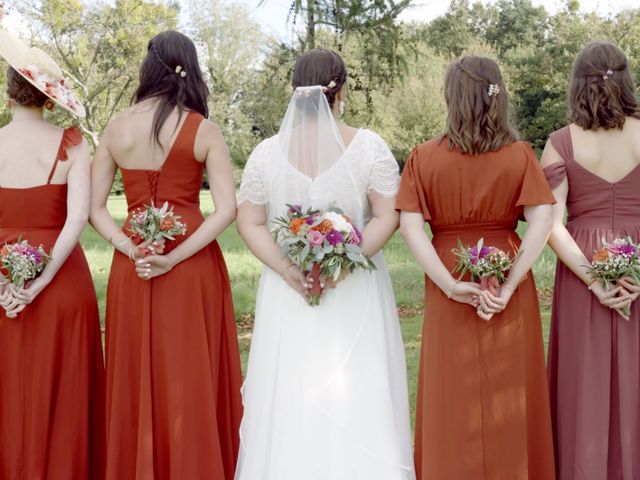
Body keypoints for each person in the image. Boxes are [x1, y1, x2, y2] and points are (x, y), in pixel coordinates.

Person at [235, 48, 415, 480]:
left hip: (289, 290)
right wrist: (347, 262)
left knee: (292, 391)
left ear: (295, 91)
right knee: (356, 386)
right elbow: (388, 213)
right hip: (353, 285)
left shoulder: (266, 153)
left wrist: (286, 268)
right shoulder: (368, 146)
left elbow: (249, 220)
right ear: (342, 90)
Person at [90, 30, 242, 479]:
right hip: (192, 264)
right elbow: (227, 209)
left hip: (132, 264)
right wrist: (174, 258)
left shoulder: (115, 129)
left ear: (148, 67)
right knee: (190, 370)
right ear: (188, 68)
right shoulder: (203, 129)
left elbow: (95, 209)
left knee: (136, 371)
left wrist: (129, 245)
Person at [397, 55, 556, 479]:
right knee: (509, 390)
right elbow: (542, 220)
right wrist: (508, 286)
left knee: (452, 391)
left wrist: (449, 285)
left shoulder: (423, 157)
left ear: (451, 98)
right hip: (506, 273)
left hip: (448, 272)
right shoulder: (521, 155)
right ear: (497, 97)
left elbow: (410, 227)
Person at [0, 30, 105, 479]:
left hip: (6, 285)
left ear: (9, 90)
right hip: (62, 281)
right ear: (47, 97)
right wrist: (41, 281)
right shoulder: (73, 144)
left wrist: (6, 283)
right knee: (66, 391)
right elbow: (77, 218)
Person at [543, 41, 640, 479]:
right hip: (633, 265)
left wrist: (595, 281)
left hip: (584, 266)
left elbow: (550, 225)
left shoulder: (560, 143)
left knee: (586, 387)